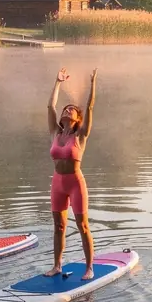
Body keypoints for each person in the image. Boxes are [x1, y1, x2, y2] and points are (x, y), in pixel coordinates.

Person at [47, 67, 97, 279]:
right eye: (65, 109)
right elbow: (50, 105)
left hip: (75, 183)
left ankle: (89, 268)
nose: (66, 110)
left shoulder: (81, 135)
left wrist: (92, 83)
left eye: (71, 110)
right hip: (58, 183)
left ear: (78, 118)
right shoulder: (55, 133)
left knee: (83, 225)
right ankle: (57, 265)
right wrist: (58, 82)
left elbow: (90, 106)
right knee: (59, 226)